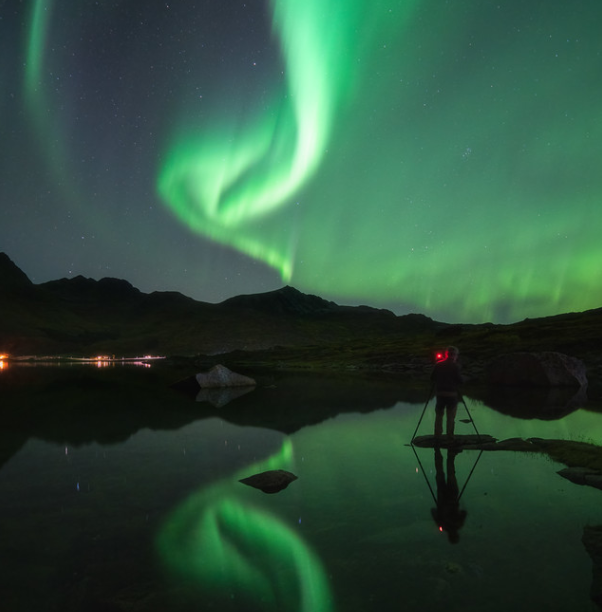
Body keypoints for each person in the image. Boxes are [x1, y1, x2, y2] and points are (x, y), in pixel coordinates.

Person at [431, 447, 467, 543]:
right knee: (441, 472)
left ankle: (446, 453)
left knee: (449, 473)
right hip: (444, 496)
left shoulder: (457, 524)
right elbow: (433, 511)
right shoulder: (444, 525)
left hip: (450, 495)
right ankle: (439, 452)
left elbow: (464, 512)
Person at [430, 346, 463, 441]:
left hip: (440, 394)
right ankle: (450, 436)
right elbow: (460, 381)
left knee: (439, 416)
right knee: (451, 416)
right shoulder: (456, 366)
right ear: (455, 355)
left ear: (446, 354)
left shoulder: (438, 365)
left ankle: (437, 436)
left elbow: (432, 378)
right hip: (452, 395)